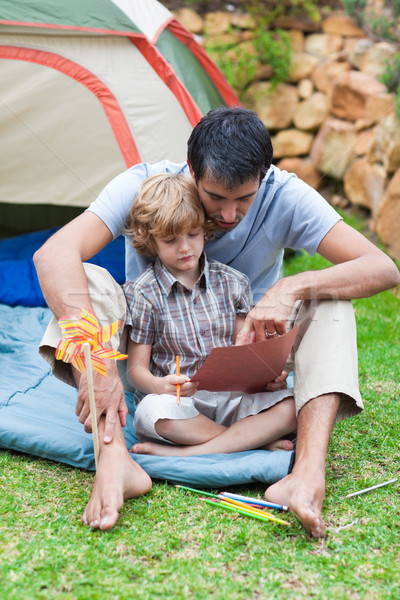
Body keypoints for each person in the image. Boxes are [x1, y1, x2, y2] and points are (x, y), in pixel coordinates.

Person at [34, 107, 400, 537]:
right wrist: (97, 361)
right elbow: (54, 254)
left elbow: (382, 268)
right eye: (215, 198)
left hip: (247, 371)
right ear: (192, 172)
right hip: (164, 369)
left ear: (265, 176)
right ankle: (113, 457)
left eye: (244, 198)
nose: (228, 215)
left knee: (333, 304)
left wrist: (290, 288)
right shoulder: (146, 186)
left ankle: (306, 474)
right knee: (84, 284)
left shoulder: (286, 194)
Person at [122, 172, 296, 457]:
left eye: (192, 235)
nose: (185, 248)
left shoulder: (232, 282)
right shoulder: (143, 294)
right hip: (180, 404)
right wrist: (159, 385)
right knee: (151, 414)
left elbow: (248, 350)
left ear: (204, 229)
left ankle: (185, 453)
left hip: (233, 398)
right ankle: (252, 441)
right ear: (151, 242)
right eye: (170, 240)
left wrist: (269, 375)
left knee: (293, 405)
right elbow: (136, 371)